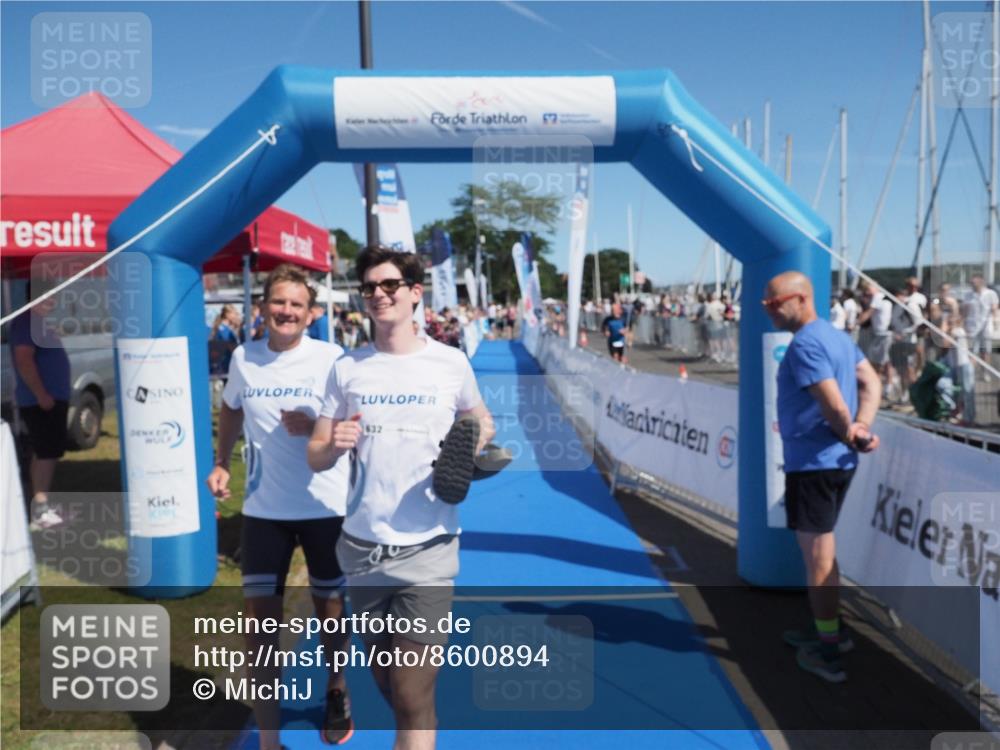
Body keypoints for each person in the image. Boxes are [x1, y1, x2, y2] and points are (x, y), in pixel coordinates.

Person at [308, 246, 495, 750]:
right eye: (369, 287)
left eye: (389, 285)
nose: (378, 295)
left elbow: (481, 420)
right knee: (392, 687)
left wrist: (469, 447)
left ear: (415, 293)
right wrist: (333, 444)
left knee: (411, 697)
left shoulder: (450, 363)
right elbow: (315, 454)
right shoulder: (347, 368)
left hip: (429, 549)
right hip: (363, 551)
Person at [206, 265, 354, 749]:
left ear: (310, 313)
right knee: (260, 624)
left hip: (324, 506)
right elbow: (231, 407)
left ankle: (336, 689)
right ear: (263, 306)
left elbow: (354, 422)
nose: (286, 311)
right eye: (278, 302)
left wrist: (316, 422)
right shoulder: (245, 357)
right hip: (264, 511)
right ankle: (269, 739)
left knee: (330, 611)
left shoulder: (331, 357)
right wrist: (222, 461)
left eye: (296, 304)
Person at [763, 271, 882, 683]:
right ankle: (830, 630)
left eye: (773, 303)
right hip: (829, 462)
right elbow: (871, 381)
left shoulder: (808, 344)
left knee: (817, 560)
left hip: (816, 464)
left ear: (799, 299)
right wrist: (861, 427)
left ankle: (830, 653)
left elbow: (832, 403)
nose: (769, 310)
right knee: (823, 556)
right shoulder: (836, 337)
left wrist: (849, 428)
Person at [11, 286, 71, 529]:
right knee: (47, 453)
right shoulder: (27, 322)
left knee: (44, 452)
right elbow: (24, 359)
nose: (54, 299)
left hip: (48, 399)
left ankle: (40, 506)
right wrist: (41, 394)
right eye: (49, 294)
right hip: (42, 401)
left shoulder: (38, 322)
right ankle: (41, 511)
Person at [962, 274, 999, 380]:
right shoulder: (968, 295)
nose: (972, 284)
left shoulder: (991, 293)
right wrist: (963, 323)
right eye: (972, 283)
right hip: (972, 327)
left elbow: (994, 308)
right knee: (972, 351)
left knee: (985, 351)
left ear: (981, 282)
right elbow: (965, 311)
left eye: (974, 282)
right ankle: (970, 373)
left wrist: (996, 322)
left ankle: (985, 372)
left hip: (986, 326)